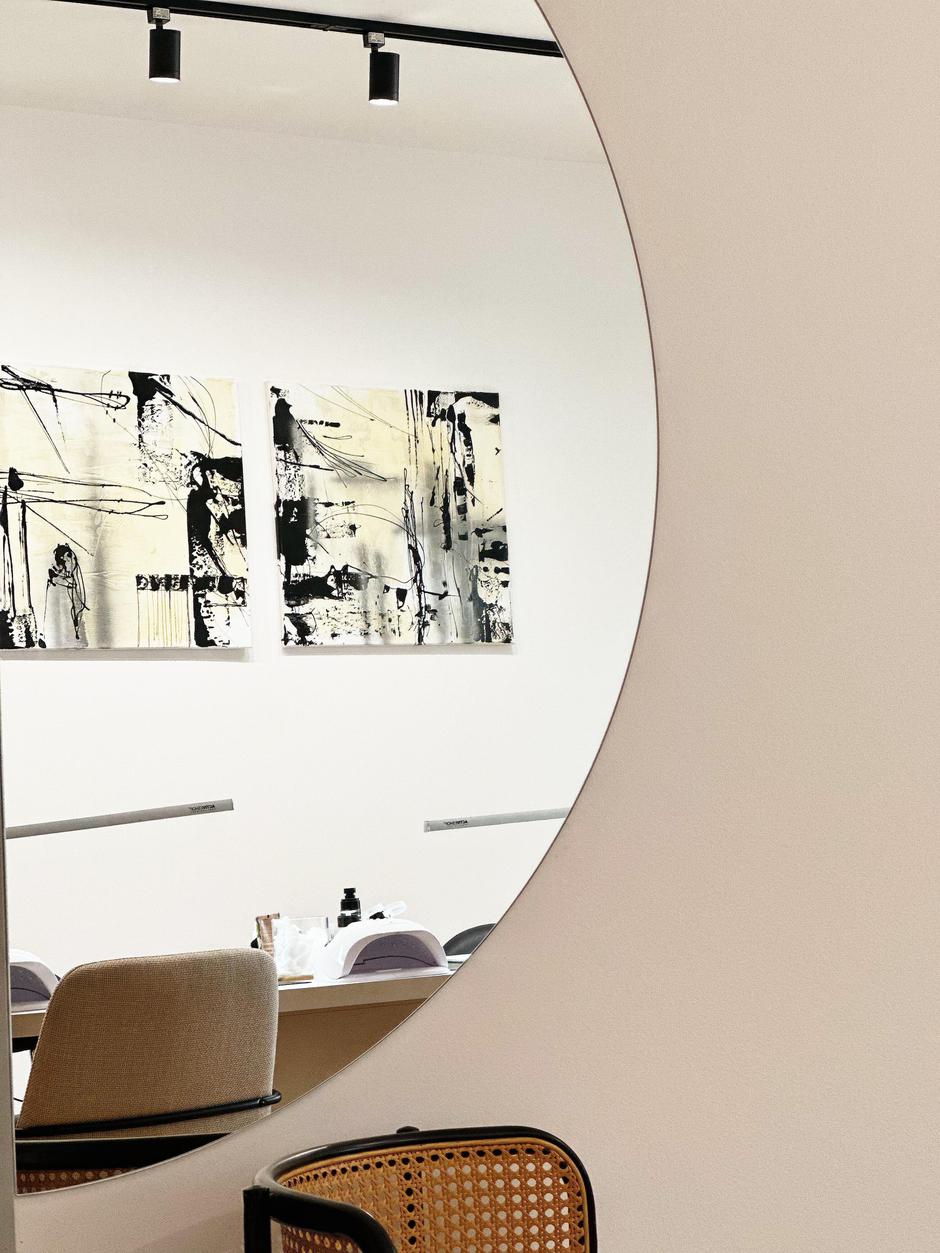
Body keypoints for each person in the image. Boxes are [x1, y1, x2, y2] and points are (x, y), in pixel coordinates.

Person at [42, 544, 88, 648]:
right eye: (69, 558)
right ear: (64, 557)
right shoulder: (54, 574)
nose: (72, 561)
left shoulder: (68, 574)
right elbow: (59, 580)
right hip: (59, 621)